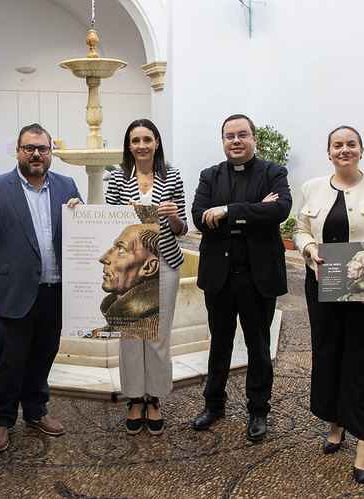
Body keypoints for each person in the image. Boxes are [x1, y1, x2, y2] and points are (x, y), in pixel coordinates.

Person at [0, 123, 82, 452]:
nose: (36, 154)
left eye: (42, 149)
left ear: (50, 153)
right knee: (10, 359)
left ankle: (35, 411)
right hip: (14, 290)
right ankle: (1, 420)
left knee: (44, 354)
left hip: (55, 290)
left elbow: (82, 235)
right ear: (18, 151)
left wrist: (82, 213)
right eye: (29, 148)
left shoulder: (67, 185)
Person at [294, 125, 364, 484]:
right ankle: (336, 422)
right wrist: (309, 249)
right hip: (324, 281)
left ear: (361, 150)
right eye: (337, 145)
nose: (344, 150)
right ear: (329, 152)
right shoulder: (312, 188)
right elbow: (300, 229)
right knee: (328, 353)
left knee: (363, 359)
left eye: (351, 144)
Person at [190, 114, 292, 442]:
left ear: (254, 139)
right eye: (229, 136)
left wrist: (227, 212)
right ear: (223, 141)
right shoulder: (210, 176)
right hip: (219, 276)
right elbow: (198, 218)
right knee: (219, 343)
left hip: (257, 276)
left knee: (258, 346)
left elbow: (279, 211)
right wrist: (252, 211)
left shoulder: (273, 173)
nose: (235, 141)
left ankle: (258, 410)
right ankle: (214, 404)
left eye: (242, 135)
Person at [102, 118, 187, 436]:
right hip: (131, 267)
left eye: (147, 139)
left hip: (164, 263)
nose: (141, 145)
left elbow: (181, 230)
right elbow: (108, 223)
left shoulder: (172, 175)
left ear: (157, 143)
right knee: (130, 335)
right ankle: (134, 398)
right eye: (135, 140)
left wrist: (175, 217)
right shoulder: (116, 177)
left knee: (157, 335)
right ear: (128, 145)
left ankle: (155, 398)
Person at [97, 217, 161, 340]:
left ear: (149, 267)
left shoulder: (145, 332)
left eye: (121, 249)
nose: (104, 258)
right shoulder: (121, 321)